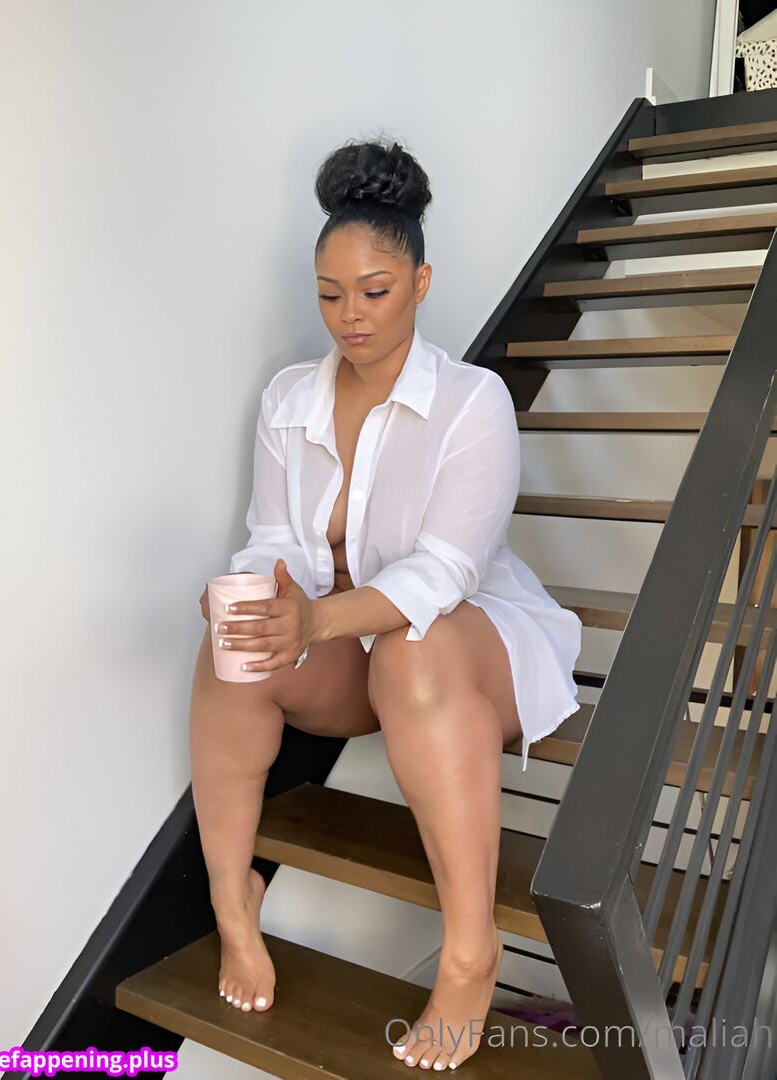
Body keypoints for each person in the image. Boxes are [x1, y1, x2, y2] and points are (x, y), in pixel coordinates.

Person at [188, 137, 582, 1072]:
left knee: (414, 645)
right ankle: (231, 898)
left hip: (467, 649)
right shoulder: (288, 398)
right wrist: (261, 595)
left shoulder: (473, 403)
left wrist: (316, 619)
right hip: (351, 656)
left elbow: (445, 573)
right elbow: (275, 536)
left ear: (420, 282)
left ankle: (470, 951)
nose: (350, 316)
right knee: (231, 644)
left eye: (374, 290)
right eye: (329, 294)